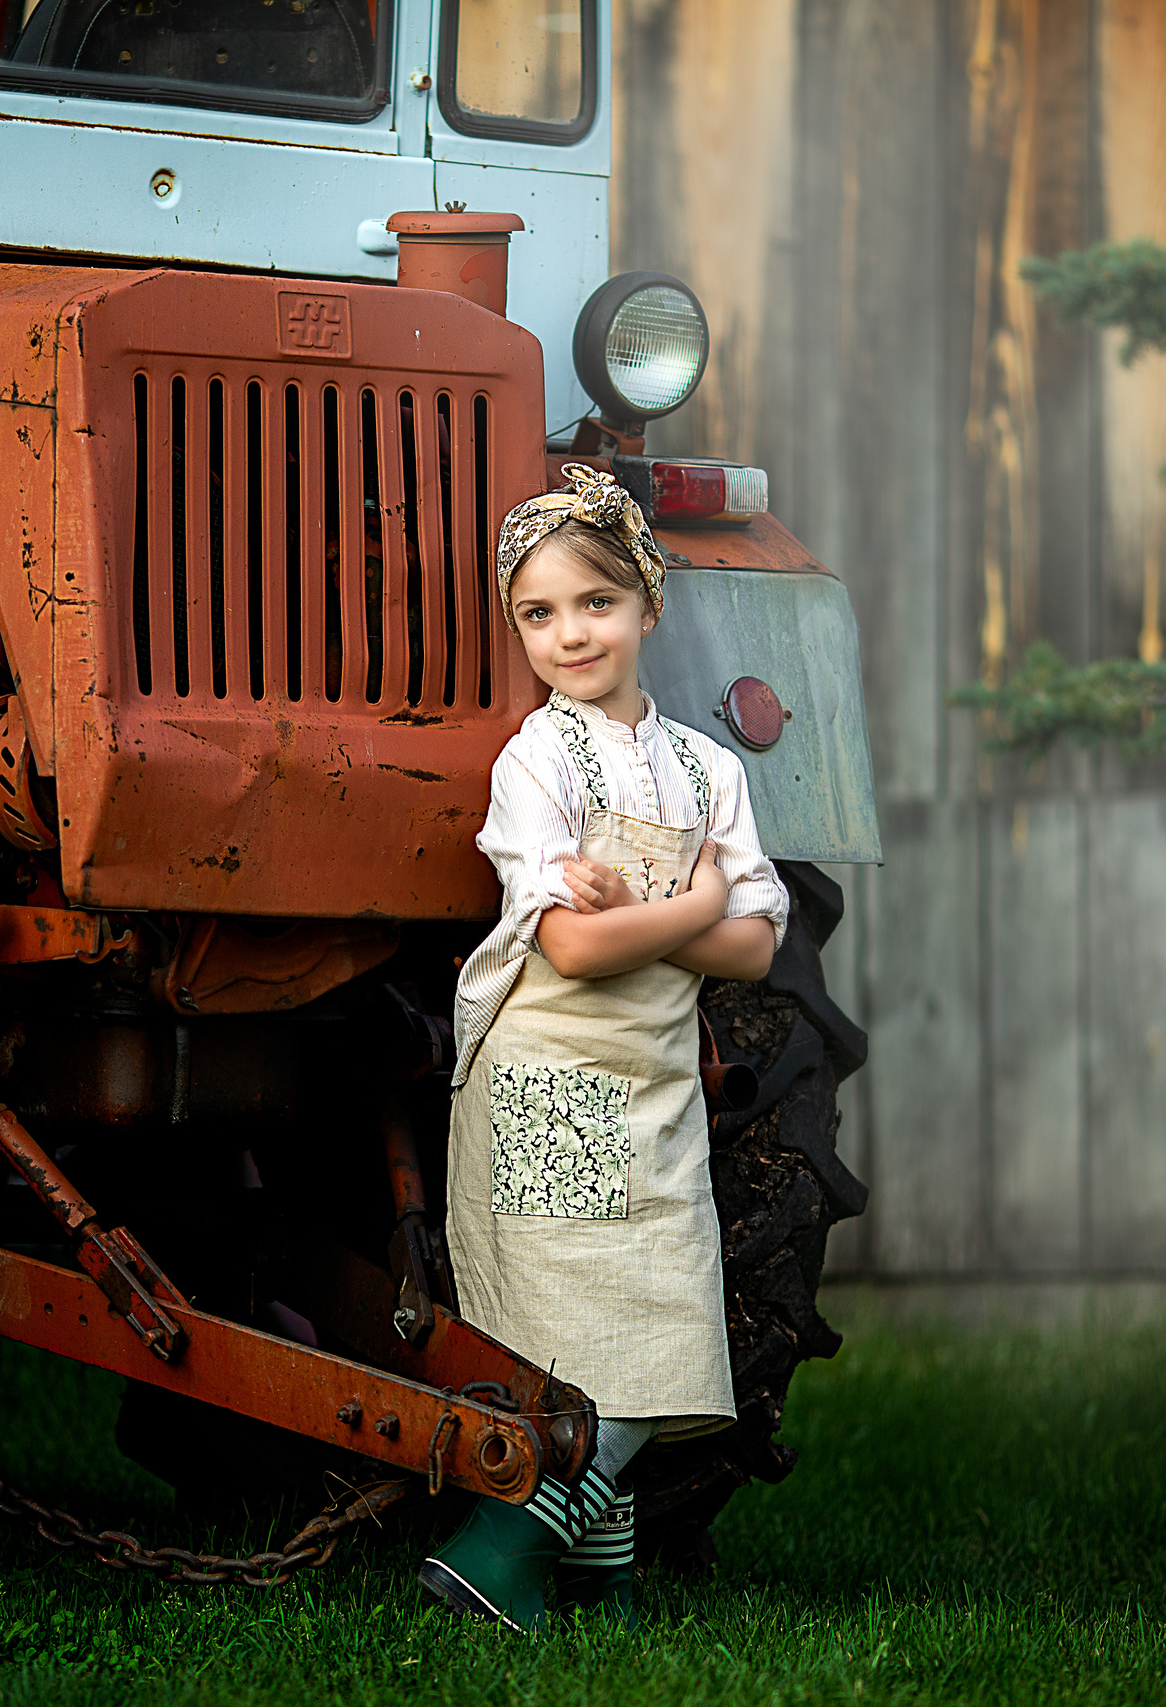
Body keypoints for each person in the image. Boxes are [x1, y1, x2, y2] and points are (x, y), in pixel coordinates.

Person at [418, 465, 788, 1632]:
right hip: (552, 1073)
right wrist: (692, 907)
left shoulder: (706, 768)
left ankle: (575, 1569)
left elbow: (760, 951)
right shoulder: (535, 761)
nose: (569, 633)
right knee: (581, 1325)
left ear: (648, 604)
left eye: (594, 603)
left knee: (664, 1308)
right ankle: (513, 1548)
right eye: (537, 613)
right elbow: (573, 955)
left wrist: (649, 917)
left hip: (655, 1083)